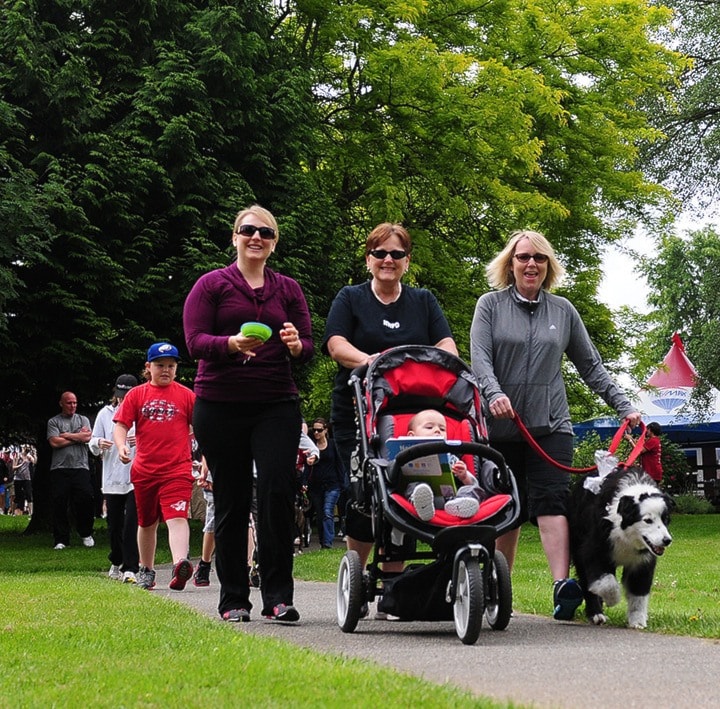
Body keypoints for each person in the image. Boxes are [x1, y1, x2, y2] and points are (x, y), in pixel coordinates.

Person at [470, 229, 642, 621]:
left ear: (549, 266)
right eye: (523, 257)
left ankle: (562, 587)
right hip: (500, 426)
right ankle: (499, 586)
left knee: (552, 502)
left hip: (551, 426)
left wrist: (625, 407)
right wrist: (494, 393)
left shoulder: (562, 311)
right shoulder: (490, 306)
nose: (531, 264)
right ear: (510, 263)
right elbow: (479, 360)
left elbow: (591, 366)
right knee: (504, 508)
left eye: (540, 258)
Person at [183, 204, 313, 623]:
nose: (256, 237)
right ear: (235, 237)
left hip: (276, 403)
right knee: (232, 499)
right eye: (248, 230)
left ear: (274, 243)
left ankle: (278, 597)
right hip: (220, 405)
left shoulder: (288, 289)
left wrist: (295, 344)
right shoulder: (211, 285)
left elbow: (308, 345)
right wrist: (230, 345)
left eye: (265, 233)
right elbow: (195, 341)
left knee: (277, 493)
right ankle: (234, 599)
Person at [322, 222, 458, 584]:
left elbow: (447, 347)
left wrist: (424, 363)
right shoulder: (350, 298)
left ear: (407, 261)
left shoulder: (422, 301)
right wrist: (373, 361)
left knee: (410, 482)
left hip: (413, 411)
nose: (388, 259)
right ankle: (359, 574)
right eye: (380, 253)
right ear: (369, 259)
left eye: (396, 254)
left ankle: (394, 579)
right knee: (363, 489)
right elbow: (336, 344)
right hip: (359, 408)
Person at [113, 343, 196, 591]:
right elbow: (121, 425)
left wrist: (205, 460)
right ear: (148, 368)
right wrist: (121, 446)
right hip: (145, 470)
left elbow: (202, 429)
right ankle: (146, 569)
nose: (166, 370)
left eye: (171, 366)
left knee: (177, 516)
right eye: (160, 365)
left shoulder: (186, 395)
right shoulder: (136, 394)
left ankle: (179, 563)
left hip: (177, 469)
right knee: (147, 522)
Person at [89, 374, 140, 583]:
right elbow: (92, 442)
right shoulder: (105, 414)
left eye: (127, 395)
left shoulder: (141, 415)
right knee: (114, 524)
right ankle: (116, 558)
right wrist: (99, 442)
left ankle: (131, 568)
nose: (123, 399)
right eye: (120, 395)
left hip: (136, 477)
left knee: (131, 524)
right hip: (112, 477)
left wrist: (140, 439)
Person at [400, 409, 484, 521]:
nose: (437, 431)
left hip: (451, 500)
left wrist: (464, 477)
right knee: (415, 486)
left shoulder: (450, 457)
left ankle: (461, 505)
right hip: (425, 498)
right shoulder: (405, 455)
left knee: (472, 489)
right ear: (411, 435)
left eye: (442, 429)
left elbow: (473, 483)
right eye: (429, 427)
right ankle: (421, 504)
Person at [47, 392, 95, 549]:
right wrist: (77, 436)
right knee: (59, 503)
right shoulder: (54, 421)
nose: (72, 406)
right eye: (69, 403)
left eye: (75, 403)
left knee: (85, 499)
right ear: (61, 403)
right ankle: (61, 539)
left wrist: (67, 435)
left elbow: (87, 437)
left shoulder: (83, 419)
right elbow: (55, 442)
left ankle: (86, 533)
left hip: (80, 467)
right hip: (59, 468)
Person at [307, 418, 345, 548]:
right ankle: (323, 541)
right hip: (315, 485)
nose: (316, 433)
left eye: (319, 430)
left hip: (332, 484)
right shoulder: (311, 446)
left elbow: (339, 464)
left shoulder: (333, 445)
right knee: (320, 513)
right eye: (314, 430)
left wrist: (342, 483)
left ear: (326, 430)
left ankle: (328, 542)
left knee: (328, 511)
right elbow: (307, 467)